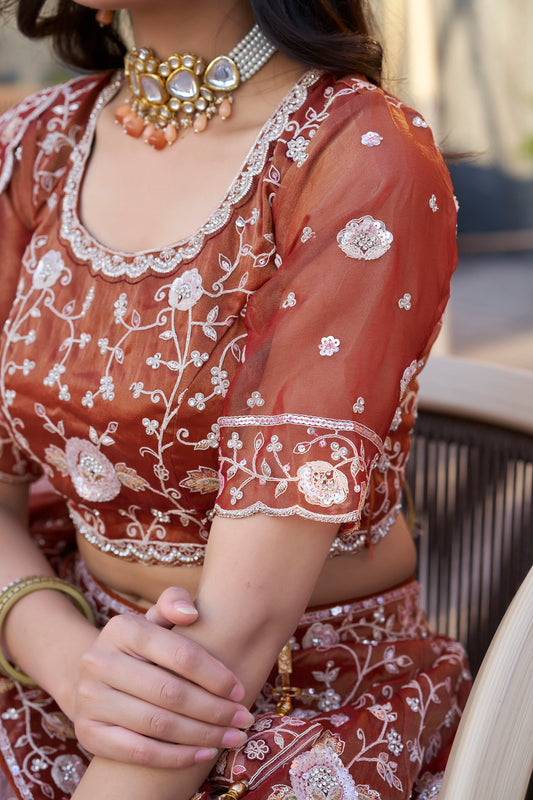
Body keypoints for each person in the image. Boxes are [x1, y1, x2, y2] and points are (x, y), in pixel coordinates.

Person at [0, 1, 471, 798]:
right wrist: (67, 662)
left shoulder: (354, 152)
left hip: (294, 704)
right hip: (68, 659)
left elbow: (232, 645)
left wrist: (110, 708)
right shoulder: (37, 145)